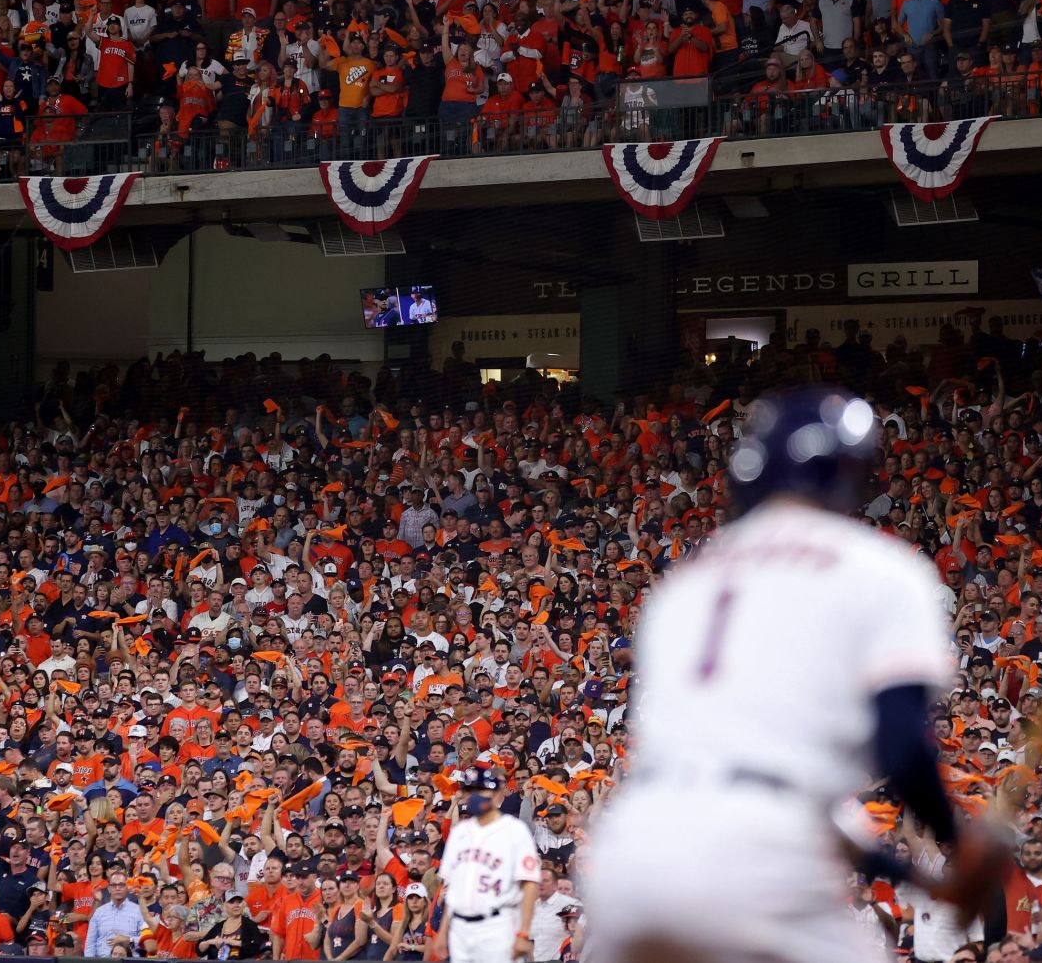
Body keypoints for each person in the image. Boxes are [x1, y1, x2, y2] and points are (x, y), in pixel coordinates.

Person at [585, 386, 1003, 963]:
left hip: (633, 849)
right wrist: (960, 843)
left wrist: (920, 877)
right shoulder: (878, 567)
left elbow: (789, 799)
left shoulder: (686, 583)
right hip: (759, 854)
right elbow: (903, 749)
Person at [429, 767, 540, 963]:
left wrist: (523, 933)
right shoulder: (460, 833)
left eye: (482, 790)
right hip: (460, 930)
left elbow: (530, 884)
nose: (475, 796)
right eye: (472, 791)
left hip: (497, 926)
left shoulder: (514, 830)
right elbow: (453, 888)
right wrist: (444, 931)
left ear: (497, 793)